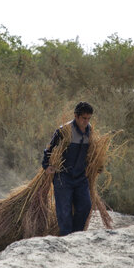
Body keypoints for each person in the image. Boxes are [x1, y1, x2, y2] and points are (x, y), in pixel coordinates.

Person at [42, 101, 94, 236]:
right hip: (63, 177)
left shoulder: (91, 131)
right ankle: (66, 237)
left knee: (85, 206)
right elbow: (49, 149)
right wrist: (46, 165)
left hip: (81, 177)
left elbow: (93, 153)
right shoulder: (63, 131)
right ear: (76, 116)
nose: (86, 122)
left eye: (89, 118)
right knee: (64, 211)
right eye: (84, 118)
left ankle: (76, 236)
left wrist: (97, 167)